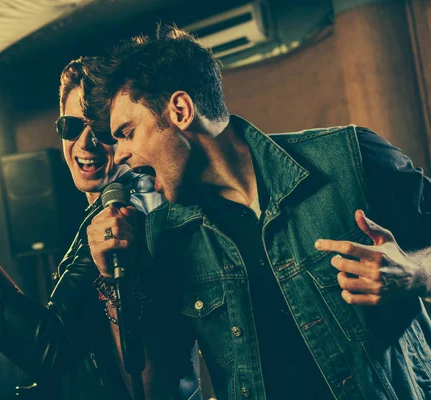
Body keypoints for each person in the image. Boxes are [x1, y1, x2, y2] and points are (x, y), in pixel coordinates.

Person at [86, 26, 431, 400]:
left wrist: (413, 272)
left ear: (181, 111)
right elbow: (154, 388)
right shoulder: (164, 234)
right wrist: (113, 277)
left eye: (127, 132)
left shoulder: (350, 159)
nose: (119, 155)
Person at [0, 56, 200, 400]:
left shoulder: (126, 213)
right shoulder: (109, 207)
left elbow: (48, 348)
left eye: (101, 129)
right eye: (71, 127)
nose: (85, 143)